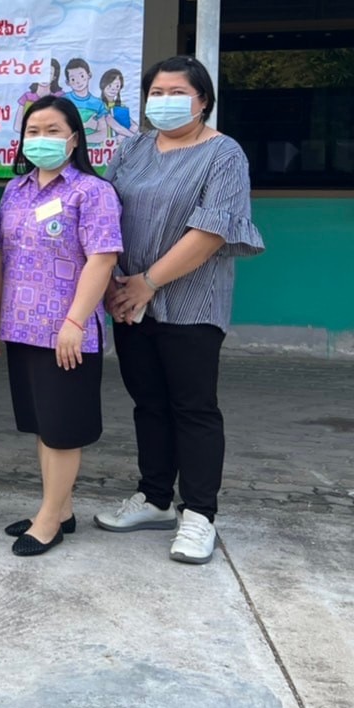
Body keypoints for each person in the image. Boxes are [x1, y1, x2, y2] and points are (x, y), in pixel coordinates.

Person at [96, 56, 264, 564]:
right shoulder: (133, 148)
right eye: (157, 92)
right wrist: (114, 283)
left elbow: (212, 231)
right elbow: (102, 210)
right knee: (148, 402)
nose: (164, 101)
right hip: (129, 299)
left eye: (177, 92)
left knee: (193, 407)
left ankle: (199, 514)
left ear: (203, 100)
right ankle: (154, 498)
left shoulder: (223, 153)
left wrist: (147, 282)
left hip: (191, 302)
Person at [0, 95, 122, 556]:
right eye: (33, 131)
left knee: (63, 429)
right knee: (44, 426)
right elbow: (0, 254)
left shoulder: (93, 192)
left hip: (66, 332)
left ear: (74, 139)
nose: (40, 139)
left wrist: (75, 321)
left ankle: (48, 521)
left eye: (52, 131)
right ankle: (59, 509)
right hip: (21, 326)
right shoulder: (16, 190)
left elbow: (102, 260)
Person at [62, 57, 107, 143]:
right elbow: (61, 129)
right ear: (68, 82)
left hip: (94, 150)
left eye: (82, 76)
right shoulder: (64, 101)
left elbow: (102, 134)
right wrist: (86, 125)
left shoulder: (98, 103)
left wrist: (77, 140)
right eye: (73, 79)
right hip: (71, 149)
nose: (78, 82)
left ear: (89, 75)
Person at [99, 68, 136, 139]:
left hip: (118, 144)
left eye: (117, 86)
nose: (113, 89)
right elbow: (111, 121)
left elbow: (134, 126)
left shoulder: (121, 106)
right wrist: (132, 136)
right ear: (103, 84)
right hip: (99, 144)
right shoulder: (97, 104)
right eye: (110, 85)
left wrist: (121, 137)